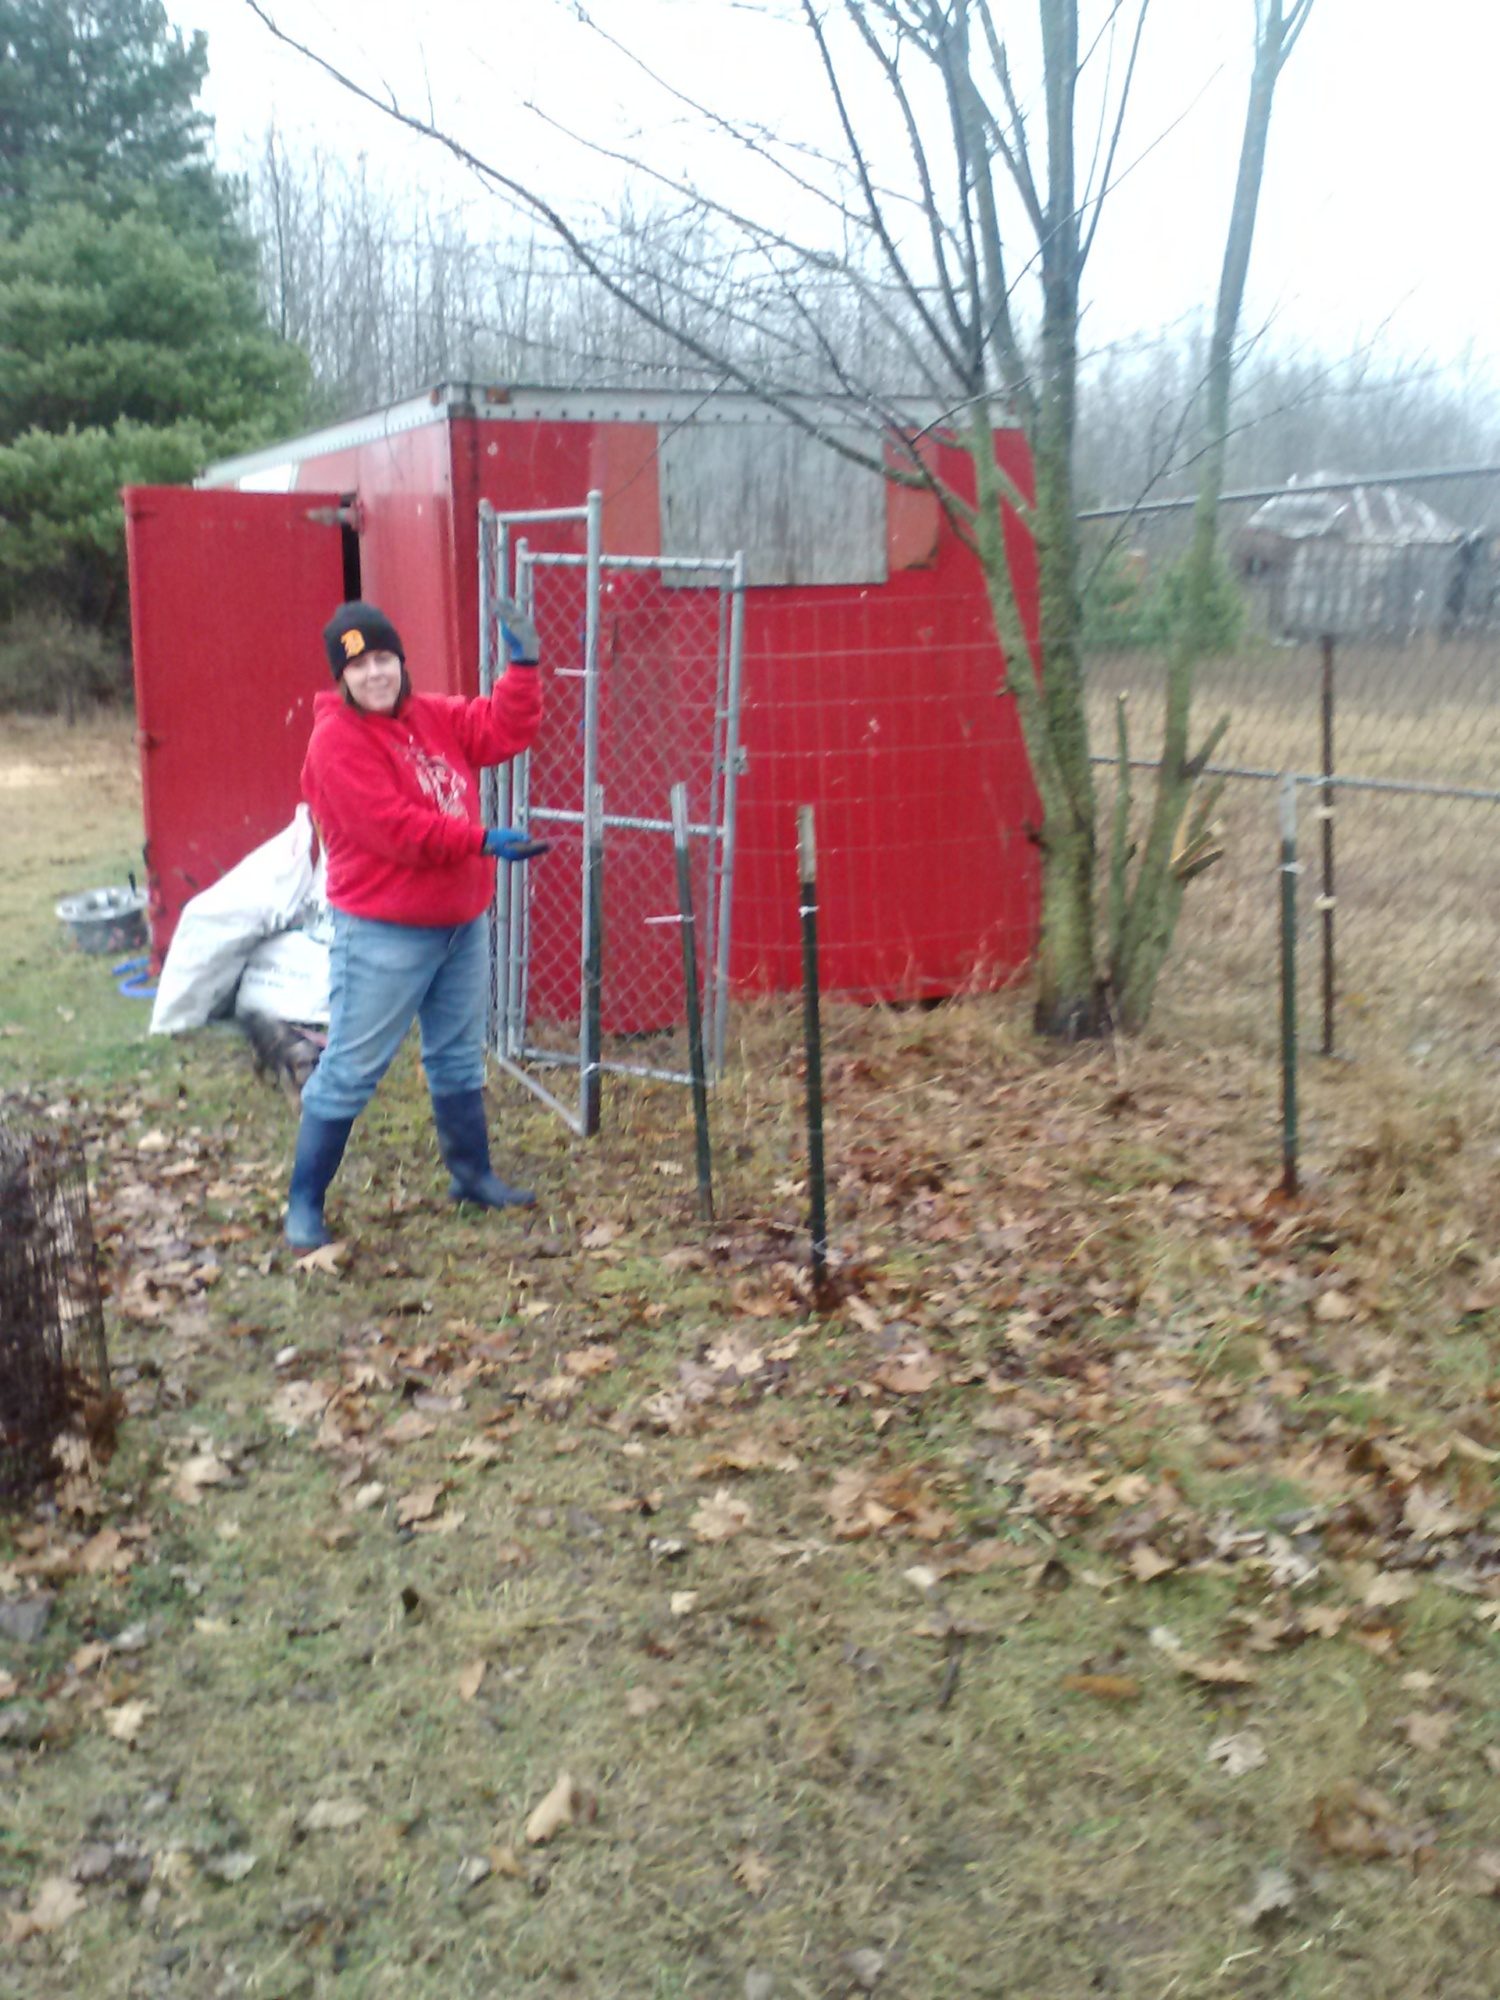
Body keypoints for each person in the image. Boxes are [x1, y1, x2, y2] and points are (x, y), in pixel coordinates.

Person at [283, 598, 546, 1249]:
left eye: (384, 658)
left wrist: (523, 668)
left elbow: (500, 730)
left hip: (460, 924)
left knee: (456, 1055)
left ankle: (472, 1177)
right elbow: (395, 830)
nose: (375, 673)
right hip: (382, 933)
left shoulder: (431, 716)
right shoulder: (335, 744)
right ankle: (303, 1205)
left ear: (400, 661)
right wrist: (481, 840)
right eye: (359, 666)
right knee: (351, 1067)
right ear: (341, 678)